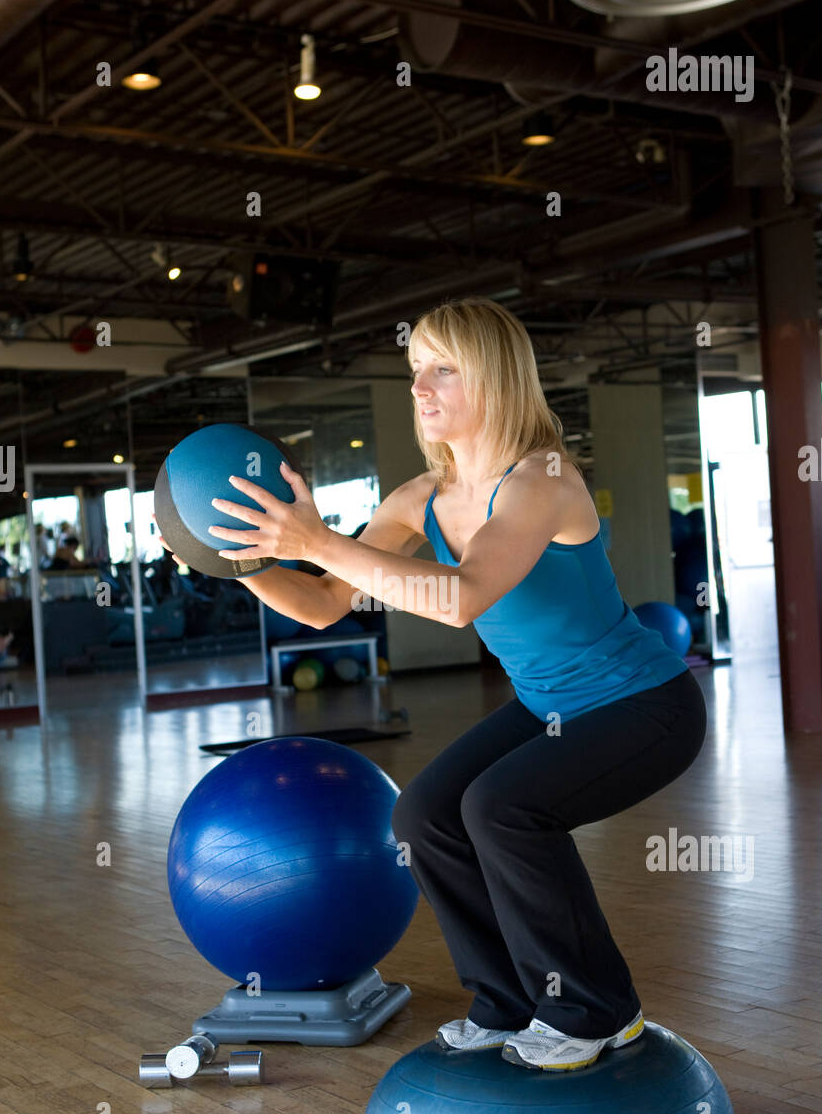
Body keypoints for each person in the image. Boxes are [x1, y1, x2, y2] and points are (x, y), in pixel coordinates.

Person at [159, 297, 706, 1072]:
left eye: (443, 369)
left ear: (496, 378)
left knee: (502, 808)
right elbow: (321, 605)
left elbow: (461, 597)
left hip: (644, 705)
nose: (421, 387)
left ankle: (597, 1010)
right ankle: (508, 1001)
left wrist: (317, 539)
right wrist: (243, 561)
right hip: (549, 706)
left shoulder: (542, 478)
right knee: (423, 816)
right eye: (416, 369)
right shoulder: (420, 497)